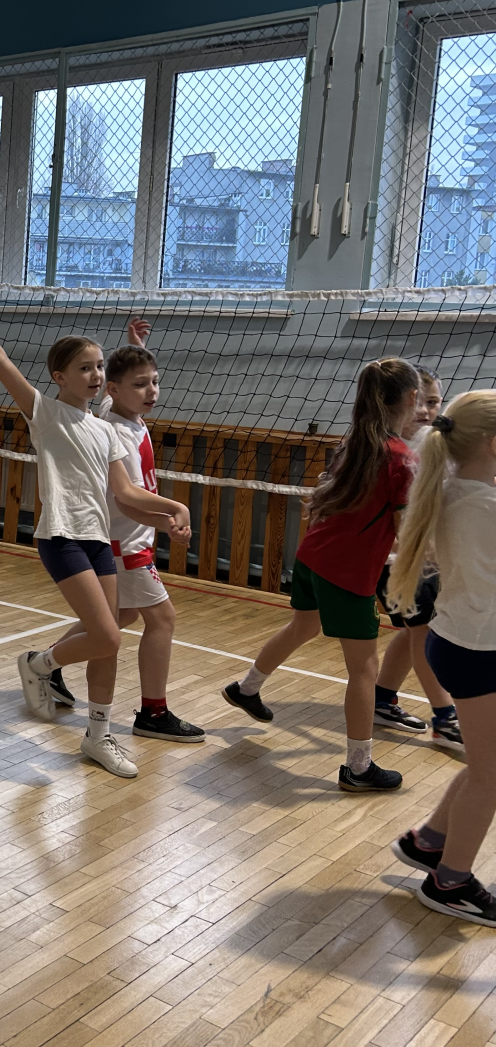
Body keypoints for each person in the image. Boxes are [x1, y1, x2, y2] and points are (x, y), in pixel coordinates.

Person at [0, 306, 192, 779]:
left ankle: (98, 735)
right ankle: (39, 664)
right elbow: (0, 361)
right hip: (61, 537)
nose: (95, 375)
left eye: (99, 367)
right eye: (84, 368)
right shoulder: (45, 413)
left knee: (108, 644)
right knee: (107, 634)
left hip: (98, 542)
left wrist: (174, 508)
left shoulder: (105, 429)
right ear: (60, 377)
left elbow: (125, 492)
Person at [222, 357, 419, 793]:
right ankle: (358, 768)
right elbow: (406, 532)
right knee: (364, 668)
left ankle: (246, 688)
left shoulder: (355, 443)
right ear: (410, 398)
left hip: (313, 557)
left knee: (303, 626)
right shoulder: (400, 458)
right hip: (346, 573)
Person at [48, 318, 205, 744]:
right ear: (116, 390)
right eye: (141, 385)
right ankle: (153, 712)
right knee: (162, 618)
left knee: (120, 617)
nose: (151, 391)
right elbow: (126, 500)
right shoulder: (117, 432)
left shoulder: (117, 413)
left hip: (131, 538)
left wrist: (136, 347)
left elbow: (110, 385)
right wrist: (168, 518)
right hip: (123, 543)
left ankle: (49, 664)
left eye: (155, 382)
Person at [386, 390, 496, 924]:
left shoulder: (457, 490)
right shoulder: (483, 507)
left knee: (484, 766)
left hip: (456, 640)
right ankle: (450, 883)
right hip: (477, 651)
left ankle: (429, 841)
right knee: (490, 777)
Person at [372, 365, 462, 749]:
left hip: (423, 557)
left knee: (415, 631)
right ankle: (445, 718)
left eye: (434, 402)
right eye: (419, 401)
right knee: (425, 633)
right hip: (395, 559)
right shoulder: (385, 448)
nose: (426, 410)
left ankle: (381, 699)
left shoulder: (436, 444)